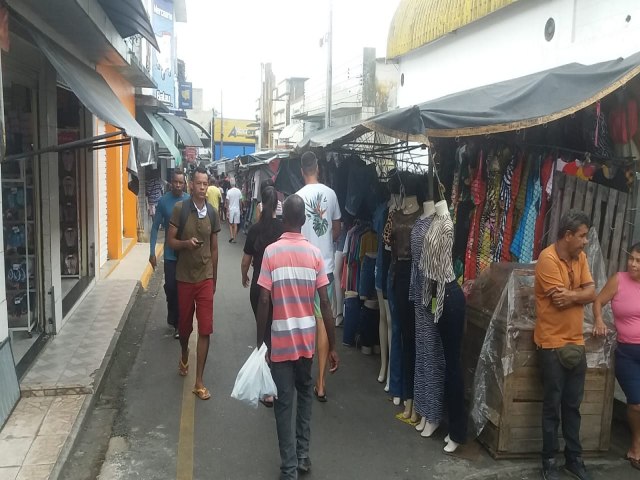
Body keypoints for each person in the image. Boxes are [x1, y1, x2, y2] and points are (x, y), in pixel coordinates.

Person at [256, 194, 339, 480]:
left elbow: (264, 302)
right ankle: (303, 457)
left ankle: (289, 468)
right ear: (303, 221)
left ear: (283, 220)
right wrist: (333, 345)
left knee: (283, 404)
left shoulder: (271, 252)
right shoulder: (315, 256)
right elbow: (325, 304)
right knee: (305, 396)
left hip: (280, 342)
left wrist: (260, 343)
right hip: (306, 342)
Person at [534, 210, 596, 480]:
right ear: (567, 235)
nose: (585, 242)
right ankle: (549, 461)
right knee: (553, 406)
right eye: (582, 236)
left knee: (572, 406)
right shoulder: (547, 259)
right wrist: (579, 295)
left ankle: (574, 458)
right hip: (551, 344)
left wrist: (574, 295)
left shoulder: (580, 257)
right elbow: (560, 300)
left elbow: (592, 292)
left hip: (576, 342)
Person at [167, 167, 221, 400]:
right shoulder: (180, 209)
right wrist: (185, 244)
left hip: (205, 277)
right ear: (191, 185)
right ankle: (184, 354)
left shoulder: (212, 212)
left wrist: (214, 277)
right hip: (184, 277)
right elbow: (170, 241)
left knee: (206, 328)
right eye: (198, 183)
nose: (201, 188)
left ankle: (199, 381)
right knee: (186, 326)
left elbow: (215, 247)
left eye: (205, 184)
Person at [295, 151, 341, 402]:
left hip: (303, 269)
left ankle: (303, 377)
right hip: (325, 269)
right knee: (323, 321)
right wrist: (324, 243)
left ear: (302, 171)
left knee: (303, 321)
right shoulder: (331, 194)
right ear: (318, 169)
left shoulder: (297, 197)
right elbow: (336, 229)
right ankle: (321, 384)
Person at [592, 242, 640, 471]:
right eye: (631, 258)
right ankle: (636, 446)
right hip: (627, 353)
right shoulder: (619, 280)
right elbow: (598, 301)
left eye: (638, 261)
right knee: (636, 403)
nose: (633, 264)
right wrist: (600, 320)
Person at [241, 186, 284, 407]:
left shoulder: (255, 229)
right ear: (278, 203)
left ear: (261, 204)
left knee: (265, 333)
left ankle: (267, 391)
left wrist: (243, 276)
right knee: (277, 334)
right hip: (279, 288)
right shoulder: (283, 228)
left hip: (258, 288)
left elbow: (246, 261)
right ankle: (277, 383)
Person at [149, 170, 189, 339]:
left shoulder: (189, 200)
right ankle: (172, 314)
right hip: (170, 255)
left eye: (181, 182)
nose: (178, 185)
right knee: (171, 288)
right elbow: (155, 227)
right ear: (171, 182)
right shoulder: (164, 201)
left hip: (186, 254)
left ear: (184, 183)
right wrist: (152, 252)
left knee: (182, 290)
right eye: (175, 182)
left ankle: (179, 324)